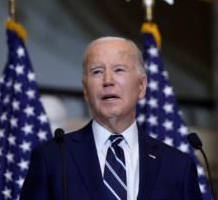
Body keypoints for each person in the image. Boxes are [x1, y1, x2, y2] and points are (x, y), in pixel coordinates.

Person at [20, 37, 202, 200]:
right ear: (85, 89)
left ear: (141, 86)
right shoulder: (52, 159)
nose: (108, 80)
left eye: (119, 70)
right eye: (97, 71)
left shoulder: (178, 167)